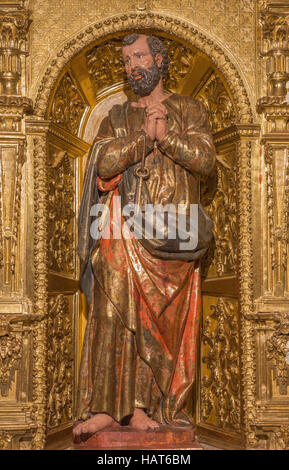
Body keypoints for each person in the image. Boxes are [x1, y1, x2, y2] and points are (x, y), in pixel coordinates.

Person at [73, 33, 216, 438]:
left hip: (174, 235)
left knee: (160, 328)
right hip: (121, 232)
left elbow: (206, 163)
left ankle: (143, 407)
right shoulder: (116, 117)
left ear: (158, 59)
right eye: (125, 60)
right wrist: (144, 139)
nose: (131, 66)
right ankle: (104, 406)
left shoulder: (190, 109)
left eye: (138, 57)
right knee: (111, 312)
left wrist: (167, 136)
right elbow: (102, 164)